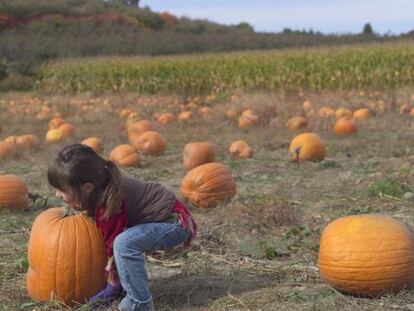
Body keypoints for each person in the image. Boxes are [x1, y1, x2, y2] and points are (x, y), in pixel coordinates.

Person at [47, 143, 197, 311]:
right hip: (162, 221)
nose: (57, 194)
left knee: (124, 244)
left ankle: (140, 303)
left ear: (87, 187)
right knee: (123, 243)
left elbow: (112, 245)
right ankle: (126, 288)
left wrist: (112, 284)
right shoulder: (100, 187)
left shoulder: (109, 203)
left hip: (174, 223)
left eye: (61, 190)